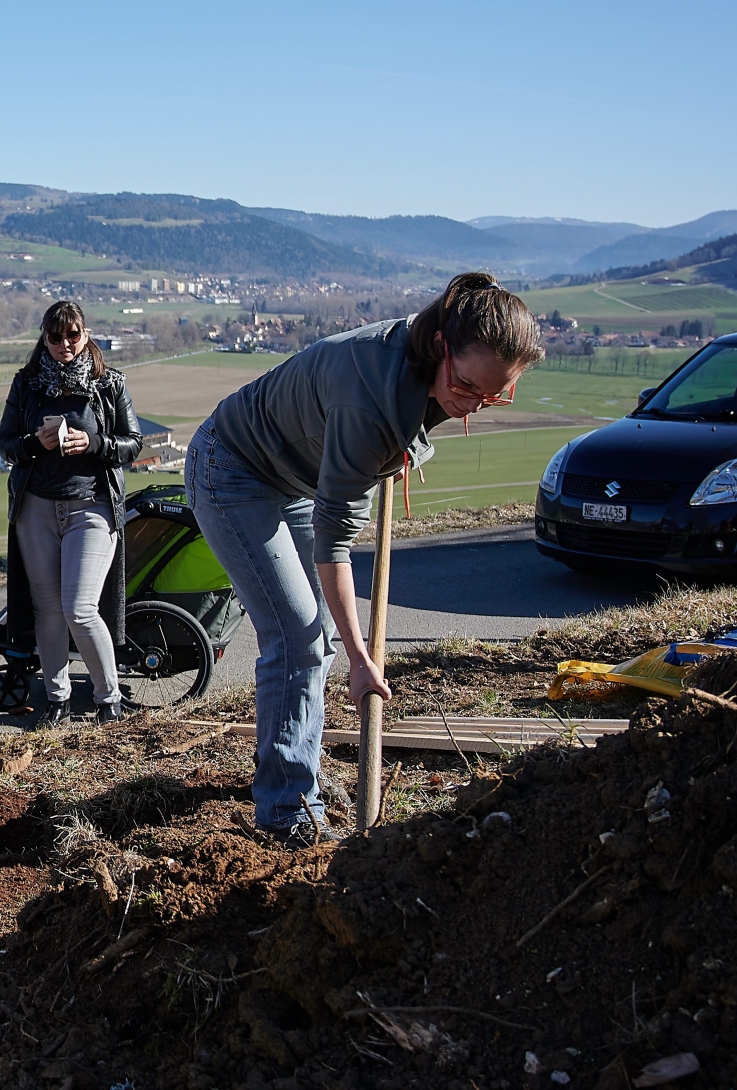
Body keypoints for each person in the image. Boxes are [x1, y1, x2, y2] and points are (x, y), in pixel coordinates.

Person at [187, 272, 543, 849]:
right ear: (440, 347)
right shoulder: (368, 402)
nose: (473, 405)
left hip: (296, 473)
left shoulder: (430, 359)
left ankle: (296, 773)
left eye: (494, 395)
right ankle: (285, 812)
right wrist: (360, 659)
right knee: (299, 636)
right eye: (470, 386)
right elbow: (334, 540)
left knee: (317, 634)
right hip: (233, 470)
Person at [0, 301, 144, 726]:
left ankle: (108, 700)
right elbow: (4, 444)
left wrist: (94, 443)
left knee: (80, 607)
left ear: (86, 334)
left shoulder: (109, 383)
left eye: (73, 335)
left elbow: (133, 442)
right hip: (36, 508)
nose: (65, 345)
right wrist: (32, 444)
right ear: (43, 338)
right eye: (56, 337)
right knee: (48, 609)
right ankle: (57, 700)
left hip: (92, 506)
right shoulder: (26, 384)